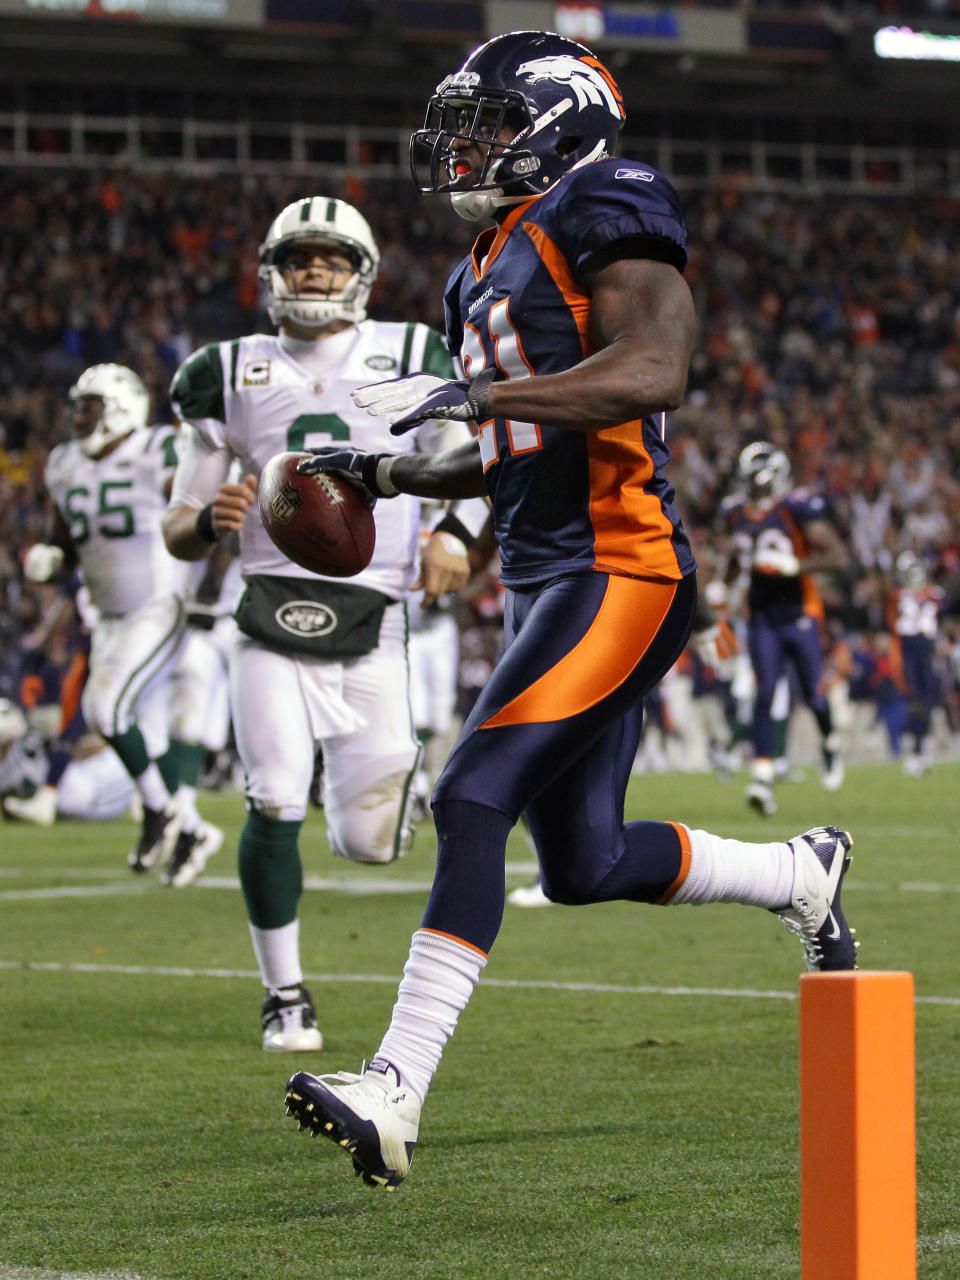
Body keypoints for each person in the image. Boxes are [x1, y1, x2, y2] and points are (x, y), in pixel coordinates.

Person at [280, 30, 859, 1191]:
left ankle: (397, 1082)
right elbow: (510, 447)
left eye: (491, 122)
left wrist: (481, 389)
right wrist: (389, 472)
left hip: (622, 565)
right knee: (588, 860)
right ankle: (800, 870)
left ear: (560, 122)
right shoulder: (474, 266)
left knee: (472, 791)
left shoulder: (607, 197)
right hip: (549, 568)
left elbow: (654, 370)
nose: (469, 146)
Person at [161, 196, 489, 1052]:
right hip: (268, 610)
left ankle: (365, 789)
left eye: (330, 259)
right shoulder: (227, 368)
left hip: (379, 613)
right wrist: (209, 521)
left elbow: (478, 459)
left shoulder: (417, 352)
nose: (315, 271)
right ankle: (285, 995)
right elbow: (177, 521)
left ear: (361, 273)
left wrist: (455, 532)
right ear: (273, 271)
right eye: (301, 257)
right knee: (270, 797)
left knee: (370, 842)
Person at [18, 363, 220, 877]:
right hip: (107, 615)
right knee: (144, 734)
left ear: (120, 408)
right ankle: (190, 829)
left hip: (157, 604)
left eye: (90, 407)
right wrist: (50, 557)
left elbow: (201, 512)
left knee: (104, 707)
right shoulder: (64, 463)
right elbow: (62, 538)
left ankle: (158, 812)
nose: (79, 418)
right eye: (78, 408)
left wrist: (207, 585)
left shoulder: (158, 449)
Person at [720, 441, 850, 816]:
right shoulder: (735, 512)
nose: (756, 493)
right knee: (765, 692)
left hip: (799, 612)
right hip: (762, 615)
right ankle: (762, 777)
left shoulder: (796, 508)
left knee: (813, 694)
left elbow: (838, 557)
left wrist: (795, 566)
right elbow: (736, 555)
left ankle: (829, 742)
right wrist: (723, 589)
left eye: (760, 485)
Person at [886, 550, 945, 776]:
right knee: (913, 701)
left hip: (927, 652)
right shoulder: (899, 596)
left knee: (928, 701)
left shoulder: (934, 593)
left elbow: (941, 608)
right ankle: (914, 751)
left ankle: (922, 748)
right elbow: (894, 623)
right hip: (908, 651)